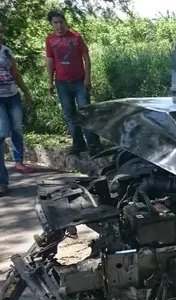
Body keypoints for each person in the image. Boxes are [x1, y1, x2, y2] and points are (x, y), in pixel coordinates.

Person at [45, 10, 101, 156]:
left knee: (86, 112)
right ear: (51, 24)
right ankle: (78, 144)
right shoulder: (50, 40)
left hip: (79, 81)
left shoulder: (75, 37)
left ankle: (94, 145)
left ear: (65, 21)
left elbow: (86, 58)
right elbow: (50, 61)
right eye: (55, 23)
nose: (59, 25)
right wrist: (50, 82)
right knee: (69, 114)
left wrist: (88, 78)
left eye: (61, 22)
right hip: (62, 83)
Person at [0, 22, 33, 197]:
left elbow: (15, 73)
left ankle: (18, 161)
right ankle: (2, 182)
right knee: (1, 133)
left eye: (1, 31)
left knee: (17, 128)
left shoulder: (6, 51)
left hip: (12, 95)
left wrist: (26, 92)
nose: (0, 34)